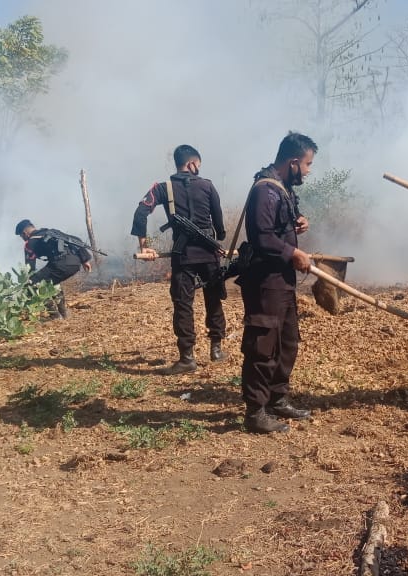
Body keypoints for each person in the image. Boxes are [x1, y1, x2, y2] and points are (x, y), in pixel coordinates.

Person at [237, 132, 318, 434]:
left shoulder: (282, 189)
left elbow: (282, 222)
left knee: (287, 342)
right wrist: (293, 251)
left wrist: (300, 221)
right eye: (308, 165)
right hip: (265, 281)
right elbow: (261, 237)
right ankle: (256, 411)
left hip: (282, 281)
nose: (308, 172)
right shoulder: (265, 191)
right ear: (293, 162)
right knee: (263, 345)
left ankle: (277, 398)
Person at [132, 145, 229, 375]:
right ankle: (216, 349)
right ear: (192, 164)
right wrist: (219, 238)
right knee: (213, 299)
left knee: (183, 304)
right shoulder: (207, 185)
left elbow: (140, 211)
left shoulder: (163, 188)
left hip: (182, 255)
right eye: (198, 165)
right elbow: (220, 224)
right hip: (209, 254)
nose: (198, 169)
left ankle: (187, 358)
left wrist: (144, 246)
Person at [14, 219, 94, 319]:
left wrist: (26, 282)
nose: (23, 239)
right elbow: (75, 239)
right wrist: (85, 260)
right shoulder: (51, 232)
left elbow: (29, 268)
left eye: (21, 236)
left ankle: (54, 315)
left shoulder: (29, 243)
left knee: (31, 284)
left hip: (61, 264)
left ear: (24, 233)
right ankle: (64, 313)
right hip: (75, 262)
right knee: (52, 280)